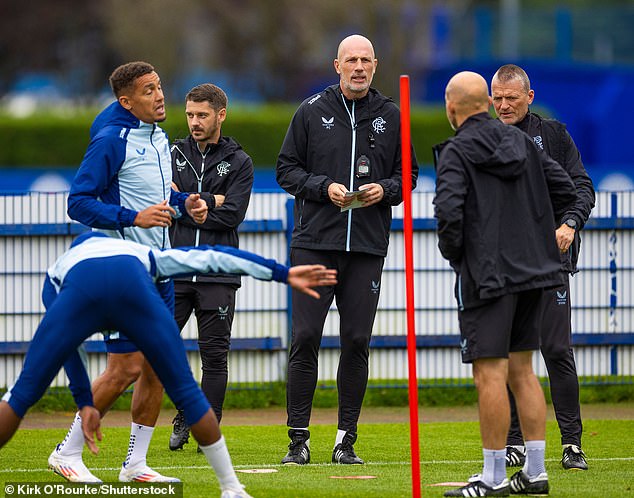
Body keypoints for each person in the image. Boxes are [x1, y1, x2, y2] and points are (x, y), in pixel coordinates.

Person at [0, 232, 337, 498]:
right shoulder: (145, 255)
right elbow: (214, 257)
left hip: (80, 292)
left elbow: (68, 348)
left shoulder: (59, 269)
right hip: (134, 291)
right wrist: (282, 273)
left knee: (23, 393)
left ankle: (135, 464)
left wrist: (84, 402)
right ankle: (232, 487)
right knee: (188, 392)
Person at [50, 61, 209, 483]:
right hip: (121, 270)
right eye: (147, 90)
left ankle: (135, 464)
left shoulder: (157, 138)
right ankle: (67, 452)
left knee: (159, 363)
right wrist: (132, 218)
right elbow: (78, 202)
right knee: (124, 369)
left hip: (159, 269)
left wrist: (186, 202)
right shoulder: (110, 139)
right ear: (126, 101)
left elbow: (158, 198)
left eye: (159, 86)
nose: (159, 96)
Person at [275, 34, 418, 465]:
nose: (358, 67)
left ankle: (345, 440)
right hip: (315, 244)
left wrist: (384, 190)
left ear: (375, 65)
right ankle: (298, 440)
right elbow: (286, 169)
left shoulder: (392, 115)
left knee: (357, 341)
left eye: (365, 60)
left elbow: (407, 175)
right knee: (304, 338)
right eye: (350, 60)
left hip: (367, 248)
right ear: (336, 65)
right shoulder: (310, 111)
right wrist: (323, 187)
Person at [433, 71, 577, 496]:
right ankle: (535, 473)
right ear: (488, 103)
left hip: (488, 276)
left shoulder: (457, 151)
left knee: (489, 375)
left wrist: (460, 257)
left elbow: (448, 215)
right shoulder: (522, 144)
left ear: (451, 108)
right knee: (524, 371)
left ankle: (493, 478)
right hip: (535, 275)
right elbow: (565, 188)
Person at [491, 64, 595, 471]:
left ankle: (572, 444)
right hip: (503, 268)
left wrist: (569, 223)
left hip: (551, 264)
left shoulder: (554, 135)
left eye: (511, 98)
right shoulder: (482, 139)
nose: (503, 105)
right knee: (511, 355)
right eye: (496, 98)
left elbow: (582, 187)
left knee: (555, 349)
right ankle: (514, 443)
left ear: (528, 97)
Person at [168, 83, 254, 451]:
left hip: (219, 274)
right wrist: (207, 200)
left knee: (214, 357)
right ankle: (185, 411)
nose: (194, 122)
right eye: (189, 114)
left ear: (221, 115)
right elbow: (165, 205)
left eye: (202, 115)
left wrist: (192, 204)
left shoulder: (240, 162)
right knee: (162, 350)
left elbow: (232, 214)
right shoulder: (171, 153)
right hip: (175, 271)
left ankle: (207, 432)